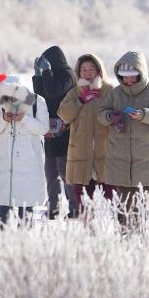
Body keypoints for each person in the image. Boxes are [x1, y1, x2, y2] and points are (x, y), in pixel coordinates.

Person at [98, 51, 149, 224]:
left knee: (148, 207)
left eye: (132, 77)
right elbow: (101, 113)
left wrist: (143, 115)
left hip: (148, 160)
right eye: (124, 77)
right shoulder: (115, 93)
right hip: (119, 159)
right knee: (123, 207)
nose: (128, 81)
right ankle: (125, 240)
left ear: (141, 73)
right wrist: (110, 117)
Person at [0, 77, 49, 223]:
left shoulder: (37, 101)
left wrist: (24, 119)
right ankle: (3, 240)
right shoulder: (2, 103)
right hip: (4, 162)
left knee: (26, 208)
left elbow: (43, 128)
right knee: (3, 207)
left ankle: (24, 241)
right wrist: (3, 118)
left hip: (29, 162)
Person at [58, 53, 113, 211]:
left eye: (91, 69)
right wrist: (81, 100)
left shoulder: (109, 91)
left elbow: (118, 114)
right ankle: (88, 233)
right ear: (79, 72)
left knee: (114, 200)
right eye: (84, 69)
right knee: (84, 204)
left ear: (99, 70)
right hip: (81, 155)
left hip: (105, 154)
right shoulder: (75, 92)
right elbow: (64, 115)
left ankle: (120, 232)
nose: (88, 72)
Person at [32, 46, 77, 218]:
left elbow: (52, 91)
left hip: (65, 131)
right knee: (50, 172)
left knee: (65, 172)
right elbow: (40, 94)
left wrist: (47, 72)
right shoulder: (49, 75)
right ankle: (54, 209)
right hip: (50, 130)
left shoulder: (67, 75)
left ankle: (74, 209)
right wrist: (37, 74)